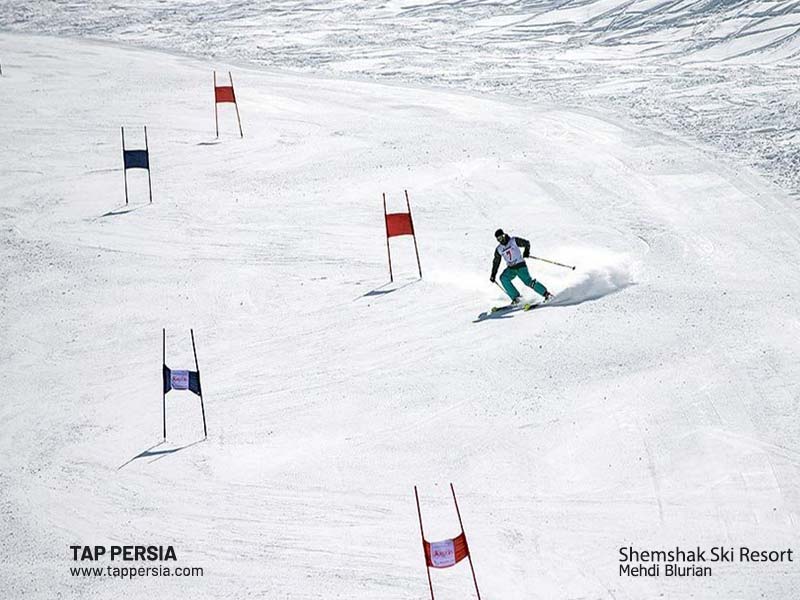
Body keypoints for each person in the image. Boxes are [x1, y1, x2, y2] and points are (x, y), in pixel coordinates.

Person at [490, 228, 553, 304]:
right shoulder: (499, 249)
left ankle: (546, 294)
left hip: (520, 266)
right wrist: (493, 274)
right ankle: (516, 298)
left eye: (501, 237)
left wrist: (526, 251)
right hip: (511, 269)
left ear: (504, 235)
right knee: (503, 278)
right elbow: (496, 262)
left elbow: (526, 243)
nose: (500, 240)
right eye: (498, 239)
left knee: (528, 282)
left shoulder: (513, 241)